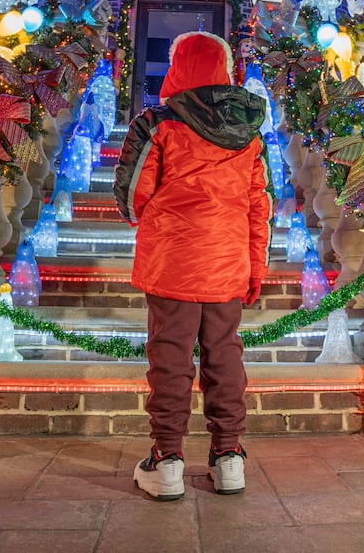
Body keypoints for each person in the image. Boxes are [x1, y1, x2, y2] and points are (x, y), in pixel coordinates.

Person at [113, 31, 273, 500]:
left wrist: (151, 213)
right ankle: (228, 456)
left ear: (178, 66)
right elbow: (258, 205)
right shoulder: (248, 130)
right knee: (224, 353)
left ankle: (166, 460)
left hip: (173, 260)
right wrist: (255, 267)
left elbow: (131, 195)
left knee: (170, 358)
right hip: (228, 260)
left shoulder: (158, 122)